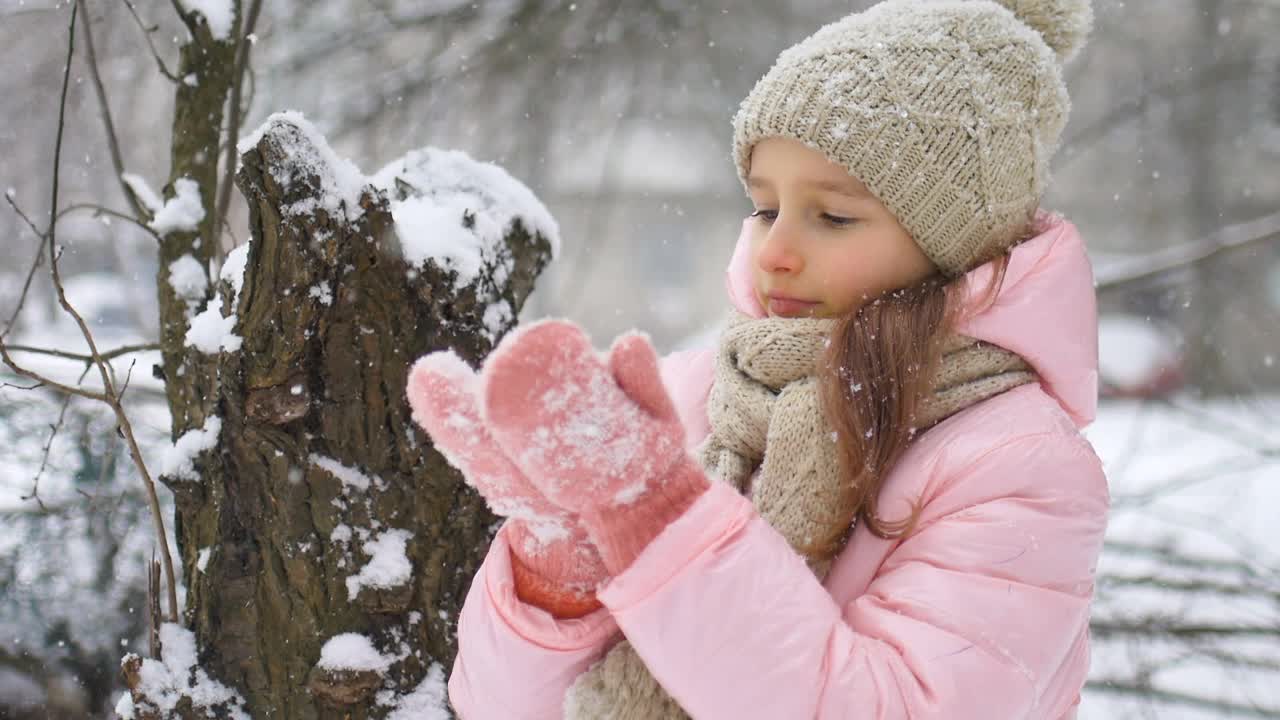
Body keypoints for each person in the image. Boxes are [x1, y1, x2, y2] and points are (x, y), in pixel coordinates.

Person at [407, 0, 1109, 717]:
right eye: (765, 209)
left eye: (832, 216)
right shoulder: (696, 398)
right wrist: (556, 582)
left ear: (953, 244)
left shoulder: (1017, 466)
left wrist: (663, 528)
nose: (774, 252)